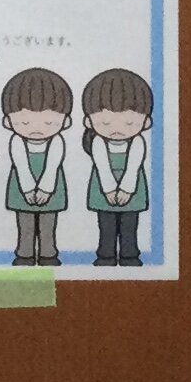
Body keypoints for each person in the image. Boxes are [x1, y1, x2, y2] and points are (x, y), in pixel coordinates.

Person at [80, 67, 155, 267]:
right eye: (105, 122)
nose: (116, 129)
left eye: (129, 123)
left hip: (132, 186)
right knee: (106, 224)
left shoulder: (137, 142)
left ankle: (130, 255)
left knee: (130, 223)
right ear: (89, 121)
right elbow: (102, 166)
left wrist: (127, 189)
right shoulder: (98, 143)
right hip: (103, 187)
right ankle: (106, 255)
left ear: (146, 121)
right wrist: (110, 189)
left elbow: (133, 167)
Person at [1, 66, 73, 266]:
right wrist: (28, 189)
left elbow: (52, 166)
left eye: (49, 122)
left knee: (48, 222)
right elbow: (21, 166)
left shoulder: (57, 142)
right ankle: (24, 254)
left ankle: (48, 254)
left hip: (51, 185)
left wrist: (46, 188)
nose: (37, 129)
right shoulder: (17, 141)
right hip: (21, 185)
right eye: (24, 122)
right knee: (25, 223)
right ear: (8, 121)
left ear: (65, 121)